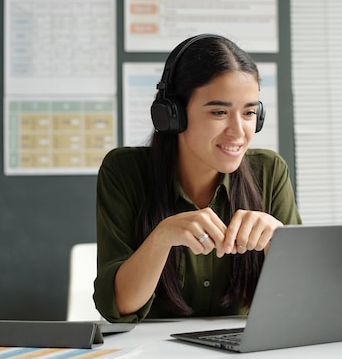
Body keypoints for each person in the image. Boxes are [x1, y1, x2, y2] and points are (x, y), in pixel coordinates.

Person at [93, 34, 301, 322]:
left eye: (249, 112)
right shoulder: (124, 172)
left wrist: (279, 242)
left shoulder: (269, 170)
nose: (239, 131)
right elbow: (119, 307)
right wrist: (162, 237)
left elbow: (303, 304)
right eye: (219, 112)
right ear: (173, 115)